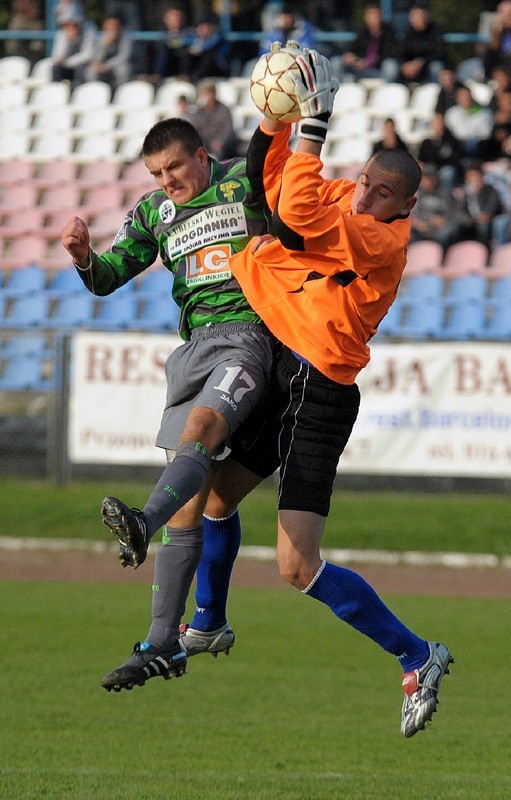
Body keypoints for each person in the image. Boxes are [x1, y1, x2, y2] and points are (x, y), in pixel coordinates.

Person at [211, 47, 452, 739]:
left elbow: (299, 214)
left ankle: (417, 654)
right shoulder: (349, 199)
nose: (367, 195)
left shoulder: (380, 239)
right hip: (285, 365)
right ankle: (204, 625)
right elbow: (270, 198)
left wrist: (310, 125)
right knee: (209, 500)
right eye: (366, 182)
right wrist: (273, 128)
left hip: (319, 392)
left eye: (383, 193)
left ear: (404, 208)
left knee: (295, 565)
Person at [60, 116, 276, 692]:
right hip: (192, 351)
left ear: (203, 157)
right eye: (156, 173)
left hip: (248, 335)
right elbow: (108, 278)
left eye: (175, 167)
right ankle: (160, 644)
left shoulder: (243, 182)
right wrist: (84, 258)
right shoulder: (154, 213)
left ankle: (141, 521)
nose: (167, 180)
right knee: (191, 501)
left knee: (202, 431)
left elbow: (291, 189)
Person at [335, 3, 399, 84]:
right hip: (359, 69)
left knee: (390, 65)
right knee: (336, 61)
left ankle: (386, 93)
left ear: (381, 17)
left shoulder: (389, 33)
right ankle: (337, 92)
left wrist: (367, 63)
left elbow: (390, 55)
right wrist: (350, 56)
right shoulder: (362, 32)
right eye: (370, 16)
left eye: (375, 15)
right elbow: (352, 49)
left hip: (378, 70)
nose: (372, 19)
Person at [410, 163, 462, 250]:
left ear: (435, 178)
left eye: (429, 178)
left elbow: (452, 213)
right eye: (424, 178)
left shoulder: (445, 192)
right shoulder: (419, 192)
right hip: (425, 224)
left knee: (447, 231)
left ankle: (440, 256)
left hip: (442, 225)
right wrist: (418, 223)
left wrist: (442, 220)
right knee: (409, 229)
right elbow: (415, 213)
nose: (425, 181)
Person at [396, 1, 447, 85]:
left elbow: (439, 52)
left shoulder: (435, 31)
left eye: (420, 15)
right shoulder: (407, 33)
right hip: (410, 70)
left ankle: (437, 91)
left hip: (427, 67)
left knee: (437, 66)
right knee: (392, 66)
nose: (418, 18)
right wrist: (405, 65)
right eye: (415, 16)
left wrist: (421, 62)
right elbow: (400, 52)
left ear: (426, 16)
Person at [189, 79, 240, 160]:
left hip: (220, 145)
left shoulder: (224, 110)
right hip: (204, 143)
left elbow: (228, 130)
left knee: (218, 152)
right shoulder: (198, 112)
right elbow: (194, 129)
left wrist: (220, 141)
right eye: (205, 93)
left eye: (210, 93)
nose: (208, 96)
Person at [444, 83, 494, 161]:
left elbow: (485, 133)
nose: (466, 98)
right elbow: (454, 131)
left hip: (478, 145)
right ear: (457, 98)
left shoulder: (484, 112)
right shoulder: (452, 113)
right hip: (458, 145)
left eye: (467, 95)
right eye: (462, 96)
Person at [51, 5, 97, 88]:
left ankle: (77, 93)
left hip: (82, 65)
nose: (68, 27)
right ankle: (56, 92)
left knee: (81, 70)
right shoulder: (63, 31)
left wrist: (69, 62)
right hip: (66, 65)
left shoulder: (89, 29)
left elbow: (88, 54)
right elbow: (57, 54)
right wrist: (69, 41)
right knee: (56, 68)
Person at [84, 14, 133, 90]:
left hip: (114, 66)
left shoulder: (126, 38)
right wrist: (105, 44)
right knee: (90, 71)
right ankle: (94, 92)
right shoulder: (100, 38)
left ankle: (120, 92)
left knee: (123, 69)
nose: (111, 29)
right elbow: (96, 58)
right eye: (109, 26)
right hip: (102, 67)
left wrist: (107, 66)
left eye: (114, 26)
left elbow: (123, 57)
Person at [417, 111, 463, 191]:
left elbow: (454, 159)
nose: (438, 125)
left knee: (447, 173)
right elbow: (421, 161)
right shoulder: (427, 142)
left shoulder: (452, 141)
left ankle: (446, 198)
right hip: (429, 170)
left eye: (440, 122)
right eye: (436, 123)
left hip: (444, 170)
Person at [4, 0, 45, 68]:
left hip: (34, 23)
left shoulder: (37, 23)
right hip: (21, 21)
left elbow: (35, 12)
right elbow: (16, 8)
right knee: (13, 45)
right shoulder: (16, 21)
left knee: (36, 47)